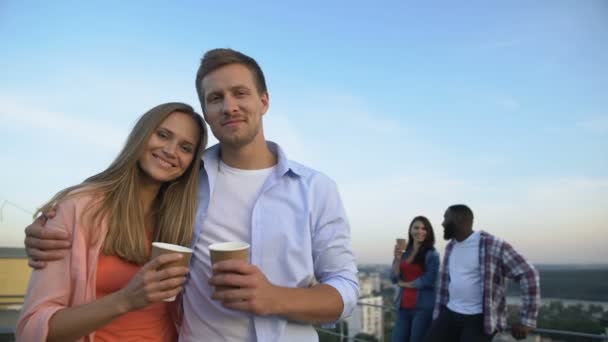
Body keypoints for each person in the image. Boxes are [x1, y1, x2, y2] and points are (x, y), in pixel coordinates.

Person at [23, 48, 360, 341]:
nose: (229, 106)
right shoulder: (184, 181)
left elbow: (345, 286)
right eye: (216, 98)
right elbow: (115, 200)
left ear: (264, 101)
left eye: (240, 93)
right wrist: (51, 224)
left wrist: (275, 298)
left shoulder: (316, 188)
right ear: (207, 112)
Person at [16, 102, 208, 341]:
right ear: (141, 135)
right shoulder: (79, 208)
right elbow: (32, 328)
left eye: (186, 147)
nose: (171, 151)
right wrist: (126, 300)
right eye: (162, 135)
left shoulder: (186, 217)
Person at [424, 204, 540, 342]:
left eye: (445, 218)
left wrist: (527, 320)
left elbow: (529, 273)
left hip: (479, 318)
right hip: (450, 312)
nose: (442, 223)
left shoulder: (492, 244)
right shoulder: (451, 246)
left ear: (459, 218)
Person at [390, 216, 439, 342]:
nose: (420, 231)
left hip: (422, 308)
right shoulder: (405, 252)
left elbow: (429, 281)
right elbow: (394, 278)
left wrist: (404, 284)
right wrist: (397, 258)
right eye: (416, 227)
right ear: (411, 230)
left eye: (424, 228)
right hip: (403, 306)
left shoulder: (432, 254)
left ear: (428, 232)